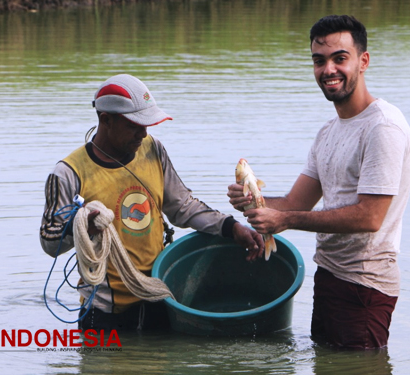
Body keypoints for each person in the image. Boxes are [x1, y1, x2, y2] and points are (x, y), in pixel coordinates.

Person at [228, 15, 410, 349]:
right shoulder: (329, 131)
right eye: (319, 60)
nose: (328, 69)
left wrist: (283, 220)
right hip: (329, 275)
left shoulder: (383, 127)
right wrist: (255, 202)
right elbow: (294, 204)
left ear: (363, 61)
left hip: (365, 286)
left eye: (339, 58)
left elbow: (370, 217)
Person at [41, 74, 264, 331]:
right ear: (106, 120)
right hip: (103, 312)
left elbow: (182, 206)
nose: (143, 133)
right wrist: (81, 226)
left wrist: (231, 227)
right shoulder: (68, 173)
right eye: (134, 125)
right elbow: (49, 241)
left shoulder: (152, 149)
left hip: (158, 297)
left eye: (146, 124)